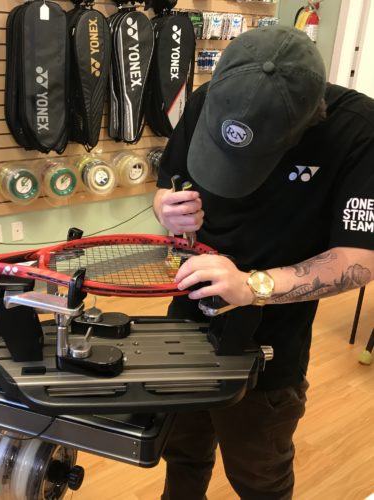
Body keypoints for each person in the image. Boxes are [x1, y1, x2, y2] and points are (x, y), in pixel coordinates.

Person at [153, 25, 374, 500]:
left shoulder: (359, 130)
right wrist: (164, 207)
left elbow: (360, 259)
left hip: (270, 345)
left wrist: (252, 286)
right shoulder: (214, 97)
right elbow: (166, 183)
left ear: (310, 119)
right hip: (186, 319)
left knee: (259, 475)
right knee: (182, 451)